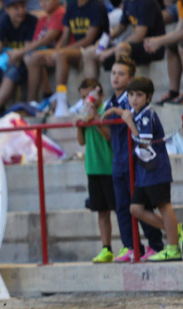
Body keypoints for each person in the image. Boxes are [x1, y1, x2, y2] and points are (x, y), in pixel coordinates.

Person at [100, 58, 165, 261]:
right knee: (121, 207)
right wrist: (96, 118)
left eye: (121, 74)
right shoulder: (110, 101)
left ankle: (156, 244)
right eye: (113, 73)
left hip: (134, 161)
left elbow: (135, 121)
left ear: (130, 78)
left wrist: (118, 112)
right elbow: (110, 135)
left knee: (140, 207)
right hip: (118, 161)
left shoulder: (133, 101)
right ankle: (130, 246)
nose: (116, 77)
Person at [120, 78, 181, 262]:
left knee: (163, 205)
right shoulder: (134, 112)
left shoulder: (147, 115)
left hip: (156, 169)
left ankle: (173, 247)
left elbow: (144, 142)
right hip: (143, 173)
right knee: (135, 208)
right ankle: (176, 230)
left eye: (139, 95)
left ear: (148, 98)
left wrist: (130, 124)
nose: (134, 99)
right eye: (131, 95)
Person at [82, 0, 165, 80]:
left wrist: (110, 51)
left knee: (122, 48)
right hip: (137, 46)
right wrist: (104, 40)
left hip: (151, 47)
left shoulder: (146, 0)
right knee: (89, 52)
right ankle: (91, 94)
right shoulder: (128, 0)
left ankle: (124, 94)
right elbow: (121, 27)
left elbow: (139, 35)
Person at [47, 0, 109, 102]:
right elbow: (65, 36)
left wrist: (61, 51)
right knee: (34, 58)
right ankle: (38, 101)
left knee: (61, 54)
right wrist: (55, 51)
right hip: (77, 50)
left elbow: (89, 39)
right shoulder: (71, 5)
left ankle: (61, 100)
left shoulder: (97, 6)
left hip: (96, 48)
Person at [74, 79, 115, 263]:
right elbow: (81, 142)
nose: (87, 100)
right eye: (83, 97)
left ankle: (131, 246)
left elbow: (110, 137)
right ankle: (106, 248)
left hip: (110, 167)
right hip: (93, 167)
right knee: (101, 210)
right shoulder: (85, 112)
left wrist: (96, 120)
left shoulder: (107, 111)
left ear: (100, 95)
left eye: (89, 95)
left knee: (120, 208)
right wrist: (81, 123)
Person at [0, 0, 38, 118]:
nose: (20, 11)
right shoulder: (3, 21)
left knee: (14, 69)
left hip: (29, 62)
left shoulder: (31, 21)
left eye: (22, 7)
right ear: (7, 10)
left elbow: (26, 49)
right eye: (15, 8)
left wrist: (16, 54)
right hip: (11, 60)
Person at [20, 0, 66, 102]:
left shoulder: (60, 13)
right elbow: (37, 41)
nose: (43, 3)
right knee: (29, 56)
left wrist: (20, 52)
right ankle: (45, 94)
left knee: (31, 57)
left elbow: (48, 39)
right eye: (40, 0)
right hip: (45, 53)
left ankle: (33, 100)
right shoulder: (42, 19)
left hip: (60, 50)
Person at [144, 0, 183, 104]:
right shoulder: (180, 2)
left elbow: (181, 34)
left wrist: (158, 41)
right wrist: (157, 41)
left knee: (181, 43)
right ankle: (174, 92)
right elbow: (178, 29)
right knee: (171, 44)